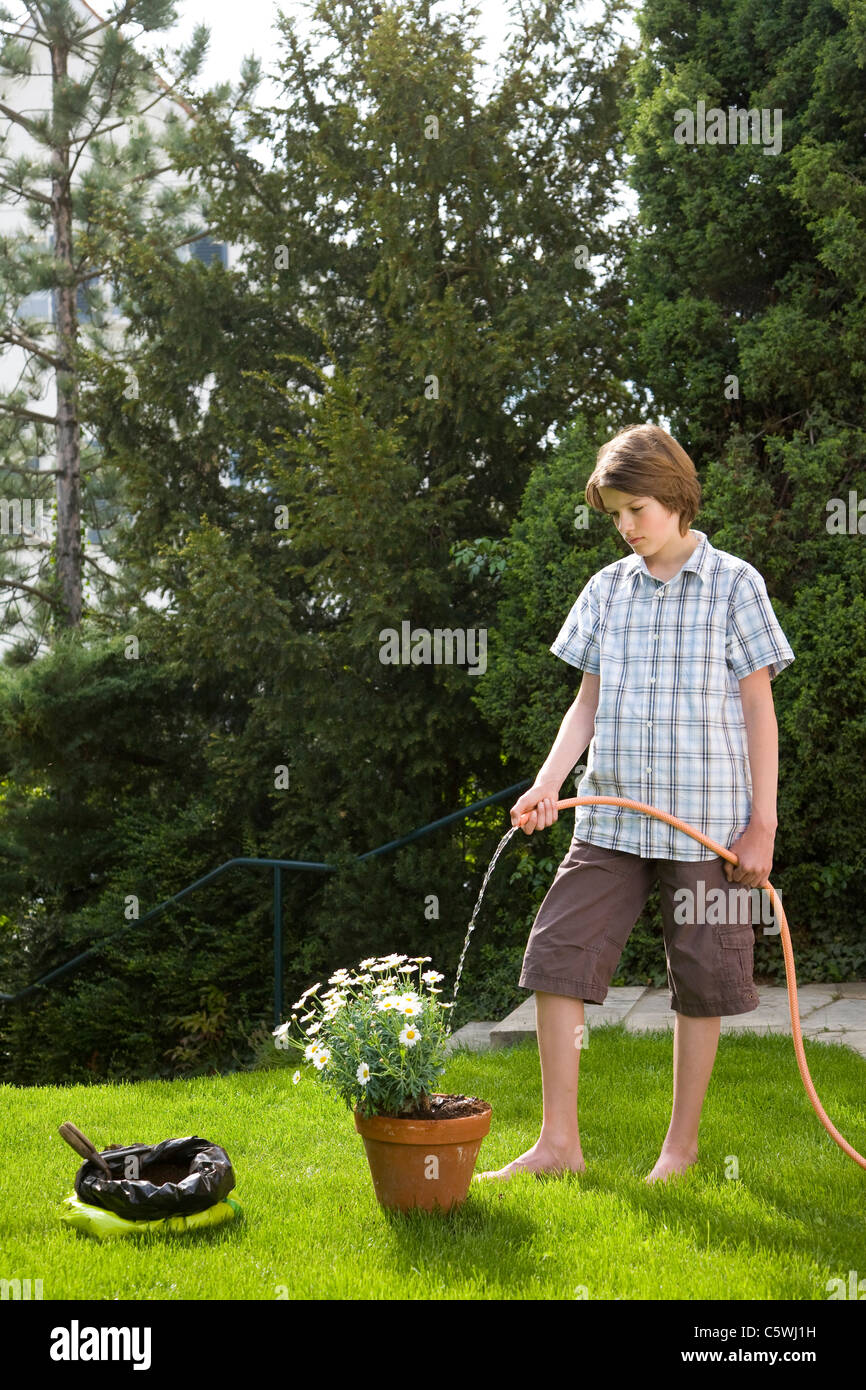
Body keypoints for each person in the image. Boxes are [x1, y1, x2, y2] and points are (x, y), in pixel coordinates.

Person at [475, 423, 795, 1186]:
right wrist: (549, 782)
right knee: (558, 957)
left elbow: (760, 711)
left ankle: (680, 1151)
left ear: (676, 497)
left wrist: (762, 825)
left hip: (707, 825)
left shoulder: (735, 584)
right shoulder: (607, 590)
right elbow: (585, 704)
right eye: (615, 514)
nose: (625, 526)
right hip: (610, 818)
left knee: (703, 980)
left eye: (636, 509)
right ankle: (559, 1145)